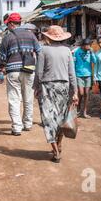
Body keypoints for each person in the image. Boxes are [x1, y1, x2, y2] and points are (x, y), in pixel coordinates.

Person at [34, 25, 78, 163]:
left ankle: (55, 150)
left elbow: (39, 72)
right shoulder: (67, 51)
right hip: (64, 88)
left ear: (48, 37)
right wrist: (75, 92)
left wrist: (36, 87)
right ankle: (59, 144)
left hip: (47, 87)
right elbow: (72, 74)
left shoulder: (43, 50)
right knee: (61, 119)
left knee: (48, 120)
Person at [0, 12, 41, 136]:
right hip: (29, 70)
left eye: (7, 25)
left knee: (14, 99)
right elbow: (39, 52)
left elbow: (2, 58)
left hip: (13, 72)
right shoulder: (31, 36)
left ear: (11, 24)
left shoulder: (7, 38)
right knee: (28, 98)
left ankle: (17, 127)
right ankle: (27, 124)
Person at [73, 38, 97, 118]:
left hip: (88, 75)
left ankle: (85, 112)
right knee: (81, 93)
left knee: (87, 93)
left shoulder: (90, 51)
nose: (88, 47)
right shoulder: (76, 51)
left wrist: (92, 52)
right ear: (83, 45)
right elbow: (73, 62)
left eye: (89, 45)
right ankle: (78, 108)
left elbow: (95, 61)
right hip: (79, 75)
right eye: (87, 45)